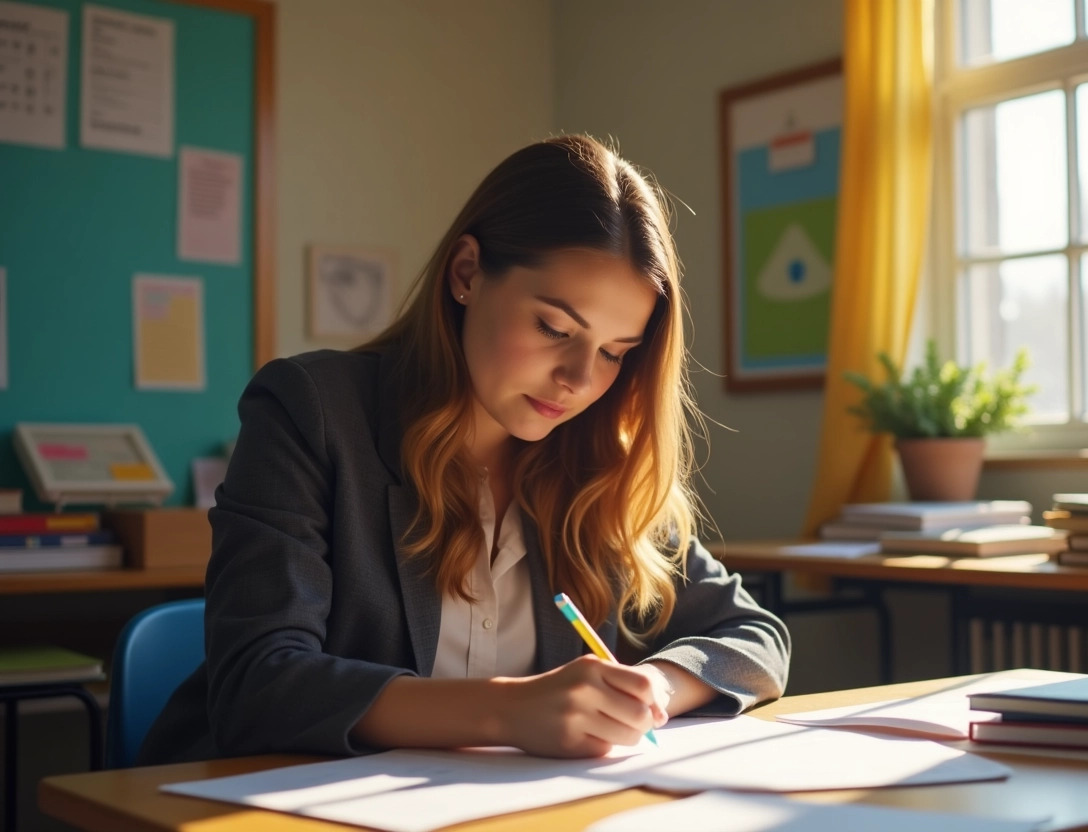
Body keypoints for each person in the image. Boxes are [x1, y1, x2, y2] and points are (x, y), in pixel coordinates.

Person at [139, 134, 790, 764]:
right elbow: (259, 685)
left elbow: (757, 636)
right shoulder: (312, 412)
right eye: (554, 327)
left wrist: (655, 690)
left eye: (615, 353)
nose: (579, 379)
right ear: (466, 273)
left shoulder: (595, 468)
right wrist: (509, 712)